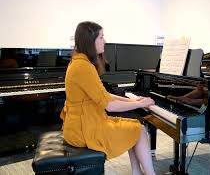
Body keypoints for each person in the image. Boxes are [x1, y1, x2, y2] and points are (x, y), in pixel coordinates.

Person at [60, 21, 156, 175]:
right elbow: (109, 106)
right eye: (101, 37)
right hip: (84, 130)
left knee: (133, 128)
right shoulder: (83, 66)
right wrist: (139, 104)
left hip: (83, 123)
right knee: (139, 129)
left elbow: (104, 95)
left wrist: (134, 101)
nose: (105, 41)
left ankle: (137, 172)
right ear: (90, 41)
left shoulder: (80, 62)